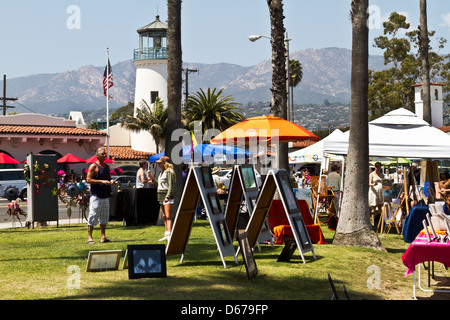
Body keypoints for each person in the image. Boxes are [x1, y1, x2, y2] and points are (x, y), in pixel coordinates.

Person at [86, 147, 115, 244]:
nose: (104, 155)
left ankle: (103, 237)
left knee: (104, 217)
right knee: (93, 216)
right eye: (102, 154)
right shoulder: (93, 166)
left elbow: (108, 177)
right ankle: (90, 237)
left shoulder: (107, 166)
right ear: (97, 155)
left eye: (105, 154)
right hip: (96, 196)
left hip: (105, 195)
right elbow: (88, 180)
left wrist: (111, 181)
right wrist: (101, 181)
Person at [149, 156, 175, 241]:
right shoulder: (161, 172)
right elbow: (158, 185)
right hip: (160, 194)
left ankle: (169, 234)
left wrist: (168, 196)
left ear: (165, 163)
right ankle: (166, 233)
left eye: (160, 162)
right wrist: (152, 178)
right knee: (164, 216)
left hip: (166, 195)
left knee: (168, 216)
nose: (158, 164)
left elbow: (171, 185)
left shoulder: (169, 172)